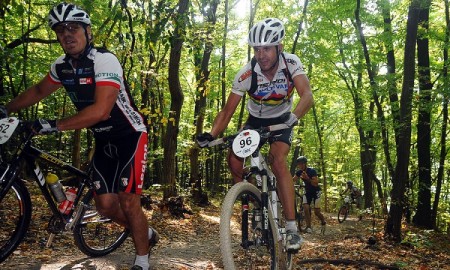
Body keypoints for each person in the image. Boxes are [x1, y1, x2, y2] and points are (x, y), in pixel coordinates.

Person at [1, 3, 158, 270]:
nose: (67, 35)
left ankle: (142, 259)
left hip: (131, 136)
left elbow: (100, 110)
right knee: (106, 206)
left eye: (73, 28)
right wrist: (6, 108)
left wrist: (54, 124)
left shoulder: (104, 60)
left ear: (87, 31)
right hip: (103, 141)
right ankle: (145, 231)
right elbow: (39, 90)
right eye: (61, 31)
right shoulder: (61, 67)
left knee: (128, 200)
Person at [196, 18, 314, 251]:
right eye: (257, 49)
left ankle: (291, 229)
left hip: (283, 120)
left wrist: (293, 118)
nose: (261, 54)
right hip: (255, 122)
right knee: (234, 158)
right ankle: (252, 197)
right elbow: (227, 111)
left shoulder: (291, 64)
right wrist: (211, 134)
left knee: (278, 160)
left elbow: (307, 95)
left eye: (267, 48)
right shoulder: (246, 74)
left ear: (279, 47)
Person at [292, 156, 326, 233]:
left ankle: (323, 221)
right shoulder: (299, 172)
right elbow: (292, 180)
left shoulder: (312, 171)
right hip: (308, 192)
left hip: (316, 191)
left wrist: (307, 178)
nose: (300, 166)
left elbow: (315, 183)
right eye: (298, 164)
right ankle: (308, 227)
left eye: (301, 164)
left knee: (317, 212)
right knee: (306, 207)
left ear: (305, 164)